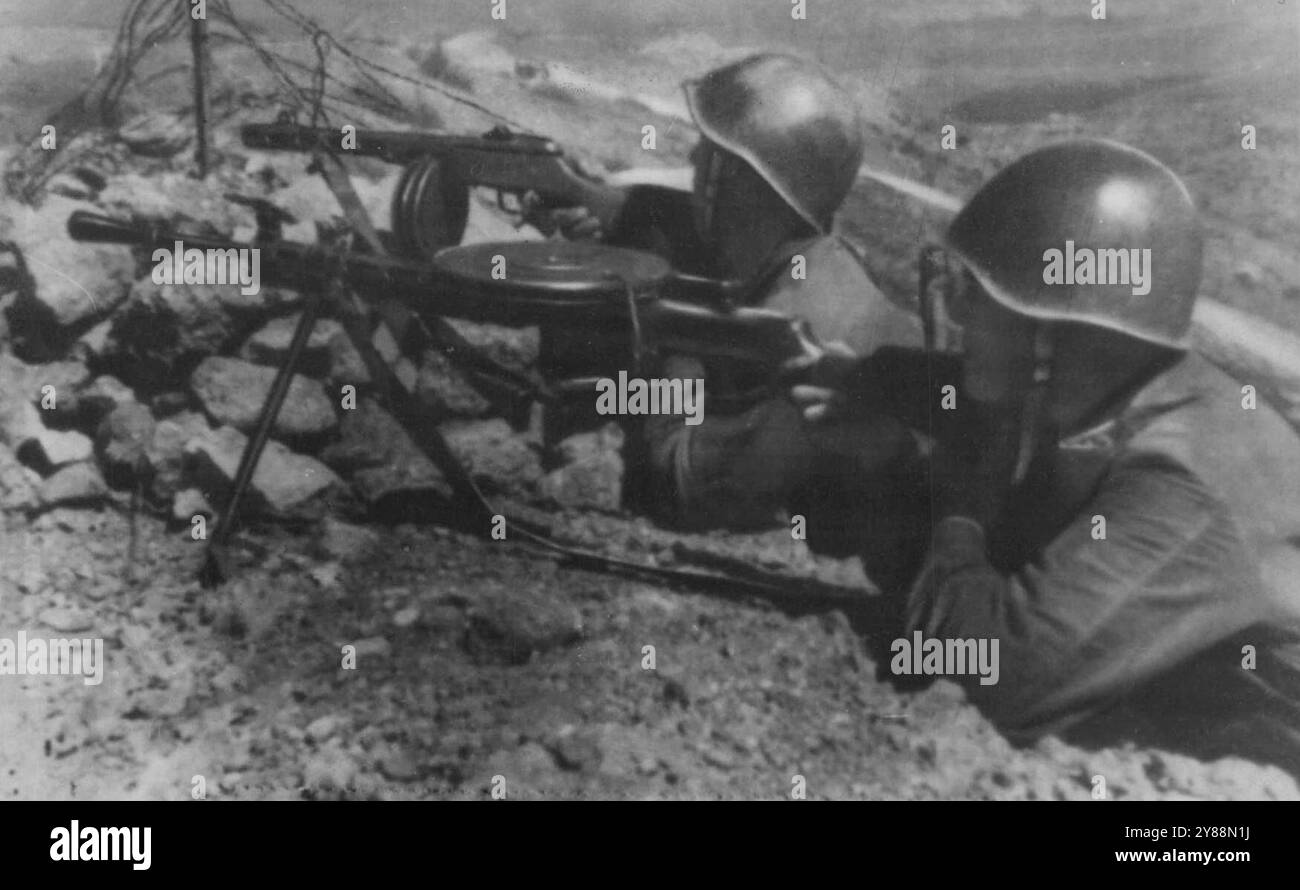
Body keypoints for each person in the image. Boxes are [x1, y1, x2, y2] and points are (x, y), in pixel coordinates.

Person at [841, 139, 1300, 778]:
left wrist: (960, 516)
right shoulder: (1122, 393)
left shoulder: (1185, 478)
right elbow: (967, 395)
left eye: (977, 294)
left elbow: (999, 675)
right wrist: (856, 383)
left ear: (1049, 335)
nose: (959, 311)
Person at [536, 53, 924, 565]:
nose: (695, 164)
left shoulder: (805, 336)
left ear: (733, 182)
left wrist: (673, 336)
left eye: (709, 153)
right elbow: (660, 215)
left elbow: (677, 483)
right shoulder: (812, 262)